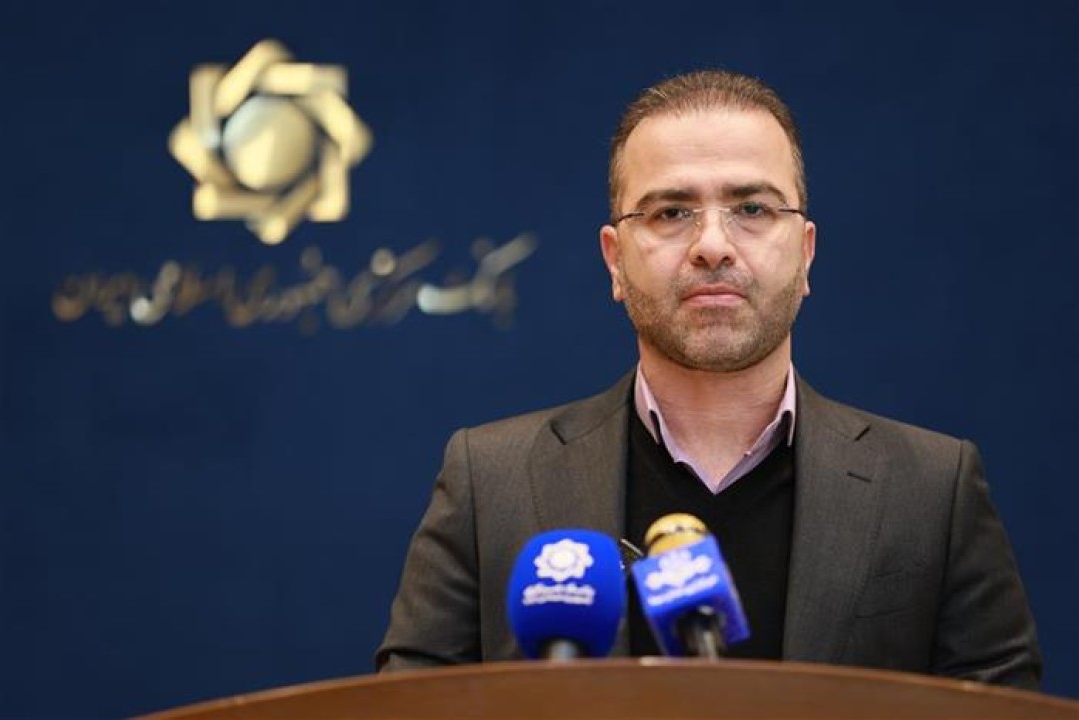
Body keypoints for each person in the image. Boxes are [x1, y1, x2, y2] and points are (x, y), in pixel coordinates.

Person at [375, 70, 1041, 688]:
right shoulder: (490, 481)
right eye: (671, 212)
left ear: (806, 253)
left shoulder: (932, 490)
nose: (713, 245)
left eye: (752, 208)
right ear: (614, 261)